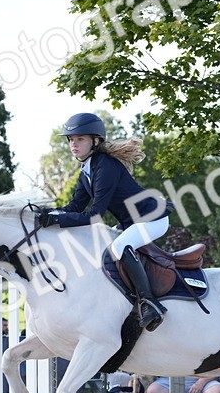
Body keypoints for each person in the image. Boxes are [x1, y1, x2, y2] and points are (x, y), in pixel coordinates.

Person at [35, 112, 175, 331]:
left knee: (119, 246)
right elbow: (74, 208)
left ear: (96, 140)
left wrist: (55, 219)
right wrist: (49, 213)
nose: (74, 144)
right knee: (103, 247)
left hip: (152, 218)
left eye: (80, 139)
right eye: (71, 140)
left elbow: (95, 215)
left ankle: (150, 304)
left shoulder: (106, 166)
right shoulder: (87, 170)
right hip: (131, 222)